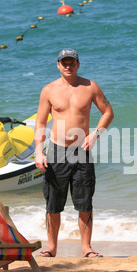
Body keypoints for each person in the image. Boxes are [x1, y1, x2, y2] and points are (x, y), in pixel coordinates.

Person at [34, 48, 114, 258]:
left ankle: (86, 248)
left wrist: (95, 134)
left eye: (72, 63)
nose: (68, 66)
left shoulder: (90, 87)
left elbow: (108, 112)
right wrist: (38, 151)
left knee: (84, 201)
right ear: (58, 65)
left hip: (82, 151)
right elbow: (41, 122)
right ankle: (51, 247)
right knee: (53, 203)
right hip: (56, 151)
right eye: (64, 63)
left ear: (78, 64)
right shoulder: (49, 90)